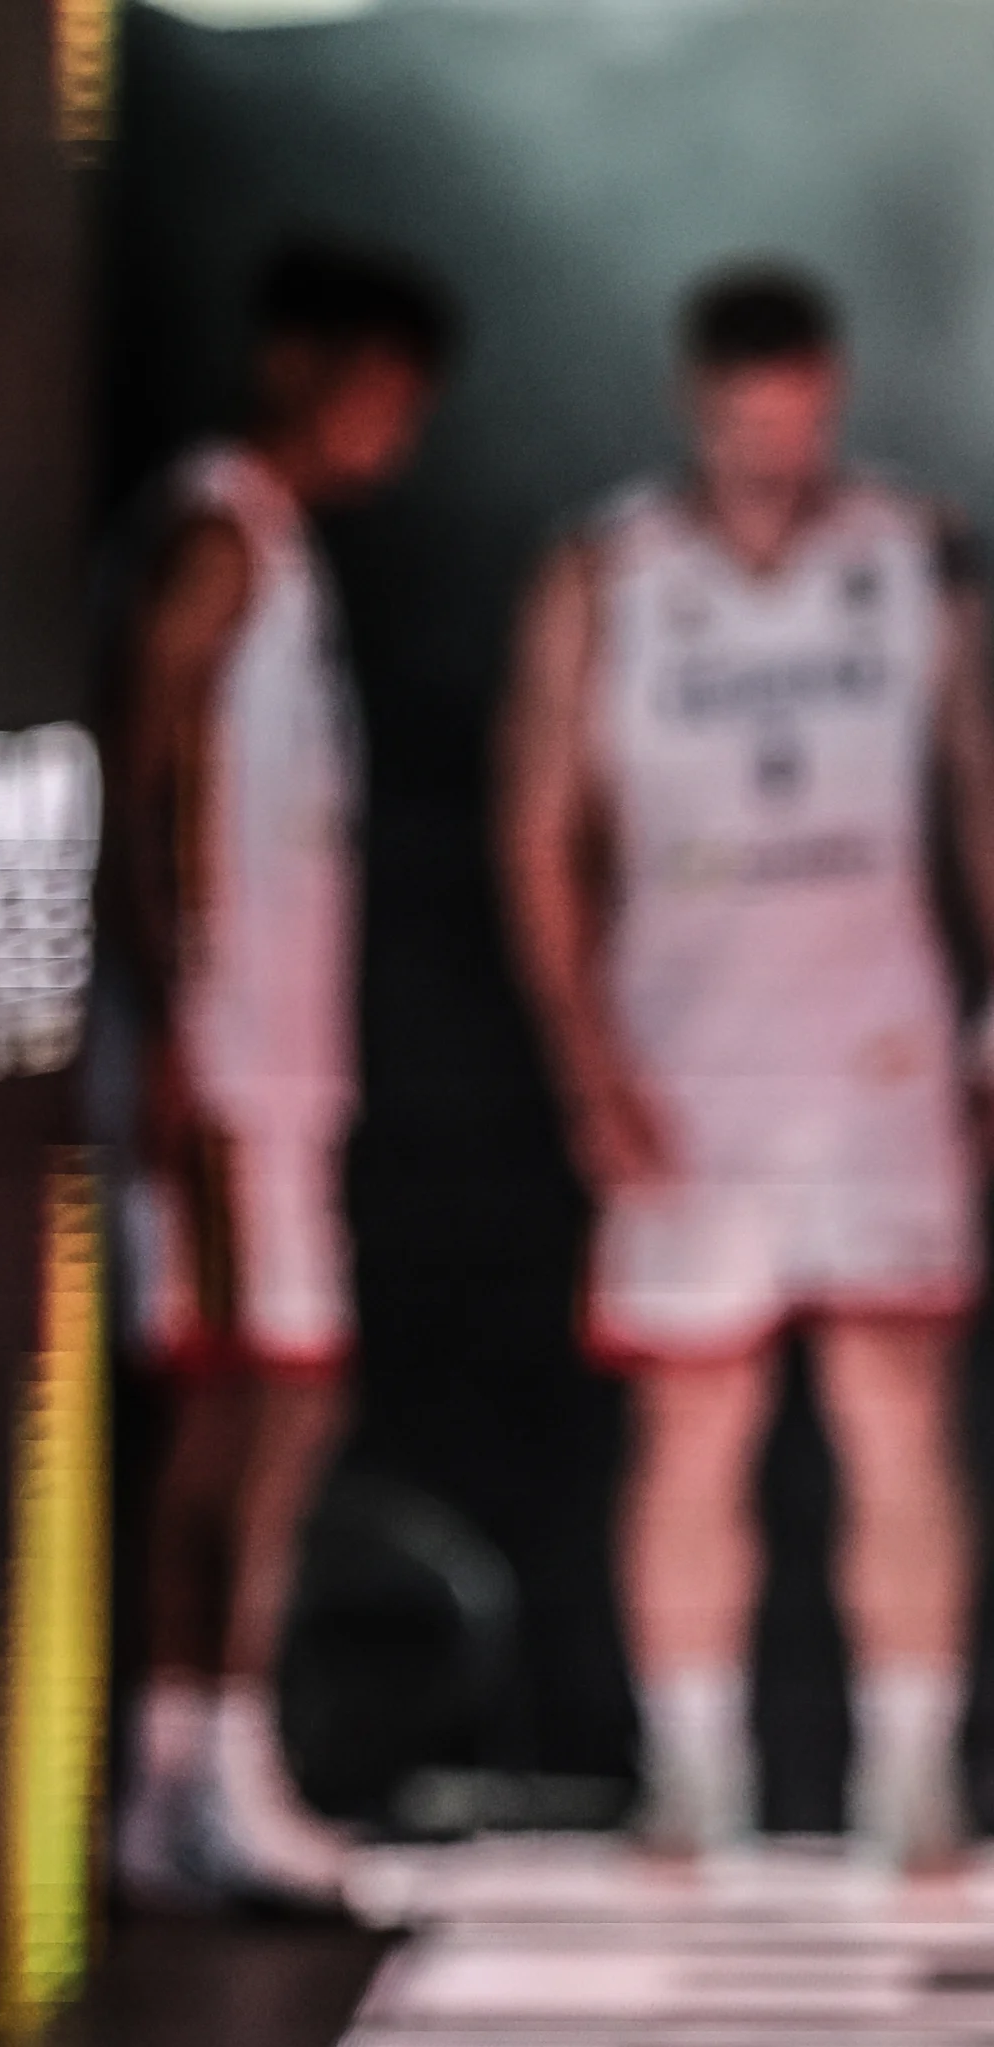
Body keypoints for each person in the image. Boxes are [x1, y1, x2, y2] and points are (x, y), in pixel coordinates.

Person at [498, 262, 994, 1869]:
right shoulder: (609, 567)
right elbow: (539, 830)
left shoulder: (913, 555)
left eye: (797, 424)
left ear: (832, 395)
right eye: (742, 428)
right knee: (693, 1424)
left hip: (879, 1047)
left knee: (893, 1415)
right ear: (695, 405)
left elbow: (983, 795)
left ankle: (910, 1776)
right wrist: (586, 1065)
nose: (773, 456)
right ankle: (692, 1775)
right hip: (688, 1053)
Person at [105, 238, 451, 1908]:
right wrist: (170, 1013)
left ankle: (204, 1764)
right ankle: (199, 1770)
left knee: (279, 1399)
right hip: (220, 1049)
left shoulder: (286, 548)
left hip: (276, 1052)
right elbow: (138, 758)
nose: (396, 428)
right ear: (308, 364)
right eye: (382, 387)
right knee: (249, 1395)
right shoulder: (222, 529)